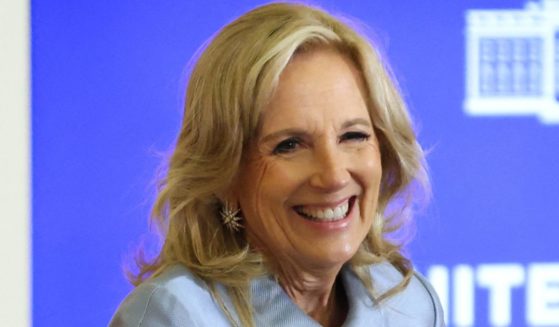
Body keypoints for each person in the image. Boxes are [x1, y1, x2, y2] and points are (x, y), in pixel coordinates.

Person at [110, 2, 444, 327]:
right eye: (289, 145)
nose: (333, 176)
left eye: (353, 136)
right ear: (224, 175)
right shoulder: (174, 318)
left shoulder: (411, 307)